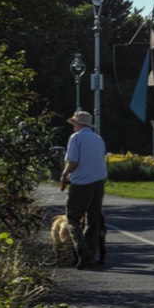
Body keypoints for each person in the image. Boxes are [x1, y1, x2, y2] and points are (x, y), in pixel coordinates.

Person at [59, 110, 107, 269]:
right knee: (93, 219)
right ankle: (90, 253)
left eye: (73, 123)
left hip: (81, 183)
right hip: (99, 181)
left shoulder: (76, 138)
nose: (72, 126)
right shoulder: (98, 138)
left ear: (78, 124)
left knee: (73, 219)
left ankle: (83, 253)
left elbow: (72, 162)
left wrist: (64, 175)